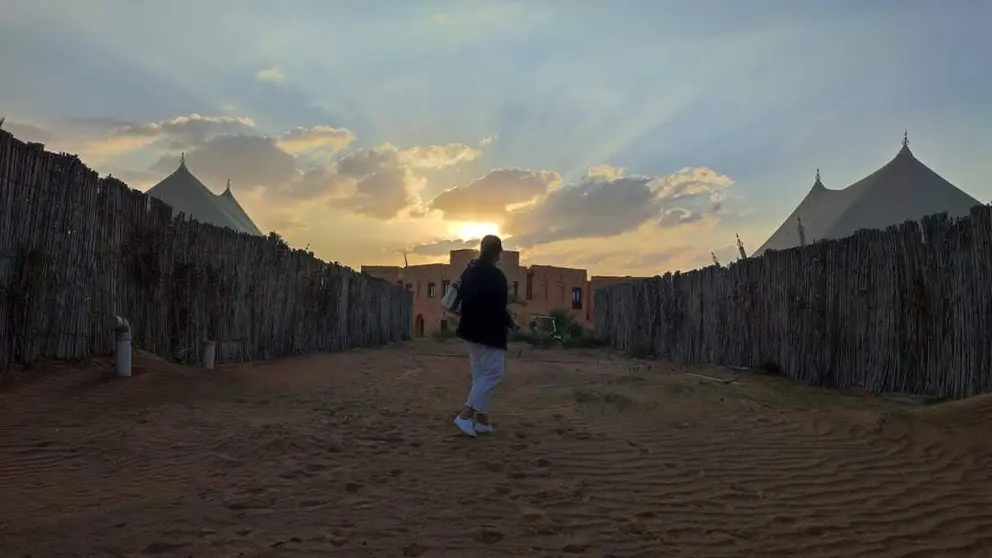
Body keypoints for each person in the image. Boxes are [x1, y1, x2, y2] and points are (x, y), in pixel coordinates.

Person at [452, 235, 516, 437]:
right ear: (497, 253)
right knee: (493, 373)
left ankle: (482, 420)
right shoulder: (496, 276)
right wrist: (510, 322)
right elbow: (499, 306)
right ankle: (465, 415)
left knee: (481, 374)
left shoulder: (469, 271)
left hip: (470, 329)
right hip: (488, 332)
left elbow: (463, 298)